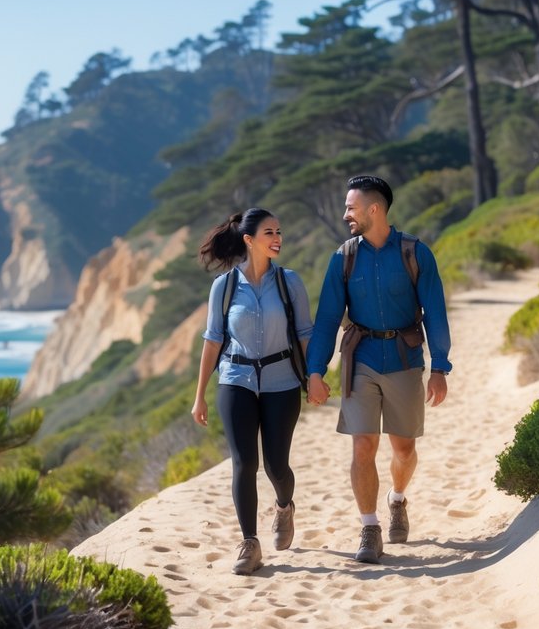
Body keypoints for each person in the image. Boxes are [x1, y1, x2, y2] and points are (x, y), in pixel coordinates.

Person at [305, 175, 451, 564]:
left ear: (374, 210)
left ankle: (397, 499)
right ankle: (369, 528)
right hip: (361, 360)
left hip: (405, 359)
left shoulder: (415, 253)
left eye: (351, 208)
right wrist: (315, 370)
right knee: (363, 444)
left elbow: (435, 312)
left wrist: (440, 366)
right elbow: (326, 319)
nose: (345, 215)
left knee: (404, 449)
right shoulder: (343, 257)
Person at [192, 208, 314, 576]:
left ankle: (284, 507)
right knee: (244, 463)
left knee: (277, 465)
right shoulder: (225, 286)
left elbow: (305, 335)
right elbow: (213, 341)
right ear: (249, 240)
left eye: (279, 231)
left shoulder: (289, 282)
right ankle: (249, 542)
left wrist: (315, 378)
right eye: (268, 232)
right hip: (235, 380)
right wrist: (199, 395)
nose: (277, 238)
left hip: (282, 382)